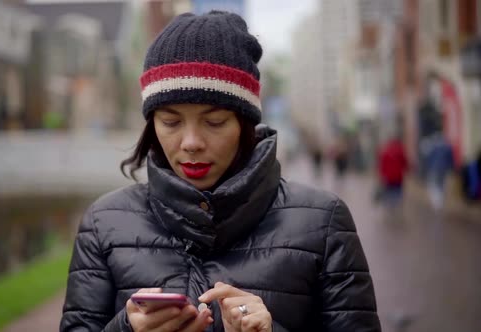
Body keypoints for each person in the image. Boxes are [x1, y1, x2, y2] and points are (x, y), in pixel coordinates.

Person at [61, 11, 380, 332]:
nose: (191, 142)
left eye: (214, 122)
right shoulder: (103, 224)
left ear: (245, 124)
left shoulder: (323, 224)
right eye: (170, 122)